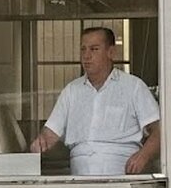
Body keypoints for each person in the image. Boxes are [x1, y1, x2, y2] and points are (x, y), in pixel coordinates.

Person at [30, 26, 161, 176]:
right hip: (80, 178)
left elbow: (159, 131)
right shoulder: (72, 91)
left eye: (94, 49)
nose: (86, 56)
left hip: (122, 176)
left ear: (111, 52)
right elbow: (50, 133)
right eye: (83, 49)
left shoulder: (133, 86)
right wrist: (41, 142)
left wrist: (143, 156)